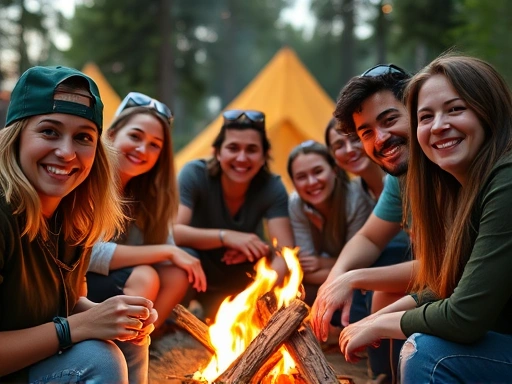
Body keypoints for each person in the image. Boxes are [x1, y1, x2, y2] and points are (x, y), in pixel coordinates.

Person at [339, 53, 512, 383]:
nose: (438, 126)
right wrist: (360, 306)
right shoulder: (461, 183)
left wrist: (375, 322)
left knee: (428, 354)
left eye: (455, 109)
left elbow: (464, 315)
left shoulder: (505, 181)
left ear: (487, 109)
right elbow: (450, 281)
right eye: (426, 117)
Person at [0, 66, 157, 384]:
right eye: (49, 131)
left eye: (83, 137)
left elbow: (69, 302)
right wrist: (76, 328)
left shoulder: (73, 216)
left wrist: (114, 315)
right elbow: (70, 325)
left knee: (128, 343)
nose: (66, 152)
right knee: (100, 360)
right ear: (16, 137)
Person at [311, 64, 414, 383]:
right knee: (384, 294)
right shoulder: (401, 180)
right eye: (366, 132)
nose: (380, 138)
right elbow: (369, 238)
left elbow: (450, 268)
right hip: (442, 283)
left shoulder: (451, 167)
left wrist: (354, 279)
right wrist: (334, 280)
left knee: (384, 293)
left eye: (389, 120)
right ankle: (385, 376)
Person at [86, 92, 206, 333]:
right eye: (135, 136)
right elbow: (88, 254)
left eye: (155, 145)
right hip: (75, 287)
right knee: (145, 275)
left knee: (176, 273)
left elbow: (165, 248)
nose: (142, 149)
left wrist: (170, 252)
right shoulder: (88, 180)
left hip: (119, 284)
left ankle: (143, 339)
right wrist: (169, 251)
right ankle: (117, 350)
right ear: (111, 135)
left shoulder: (149, 195)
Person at [174, 109, 294, 321]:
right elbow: (175, 232)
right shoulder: (194, 174)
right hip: (197, 274)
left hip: (241, 280)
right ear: (217, 152)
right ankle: (168, 321)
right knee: (181, 254)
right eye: (233, 148)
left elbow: (284, 253)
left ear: (264, 156)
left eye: (251, 150)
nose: (242, 158)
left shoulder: (272, 186)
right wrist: (226, 237)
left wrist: (260, 287)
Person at [286, 140, 373, 308]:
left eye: (318, 171)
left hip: (367, 275)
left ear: (334, 170)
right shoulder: (296, 204)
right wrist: (323, 266)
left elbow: (359, 263)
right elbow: (305, 267)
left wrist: (322, 263)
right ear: (294, 183)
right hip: (340, 277)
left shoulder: (355, 199)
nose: (311, 182)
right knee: (296, 296)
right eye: (301, 177)